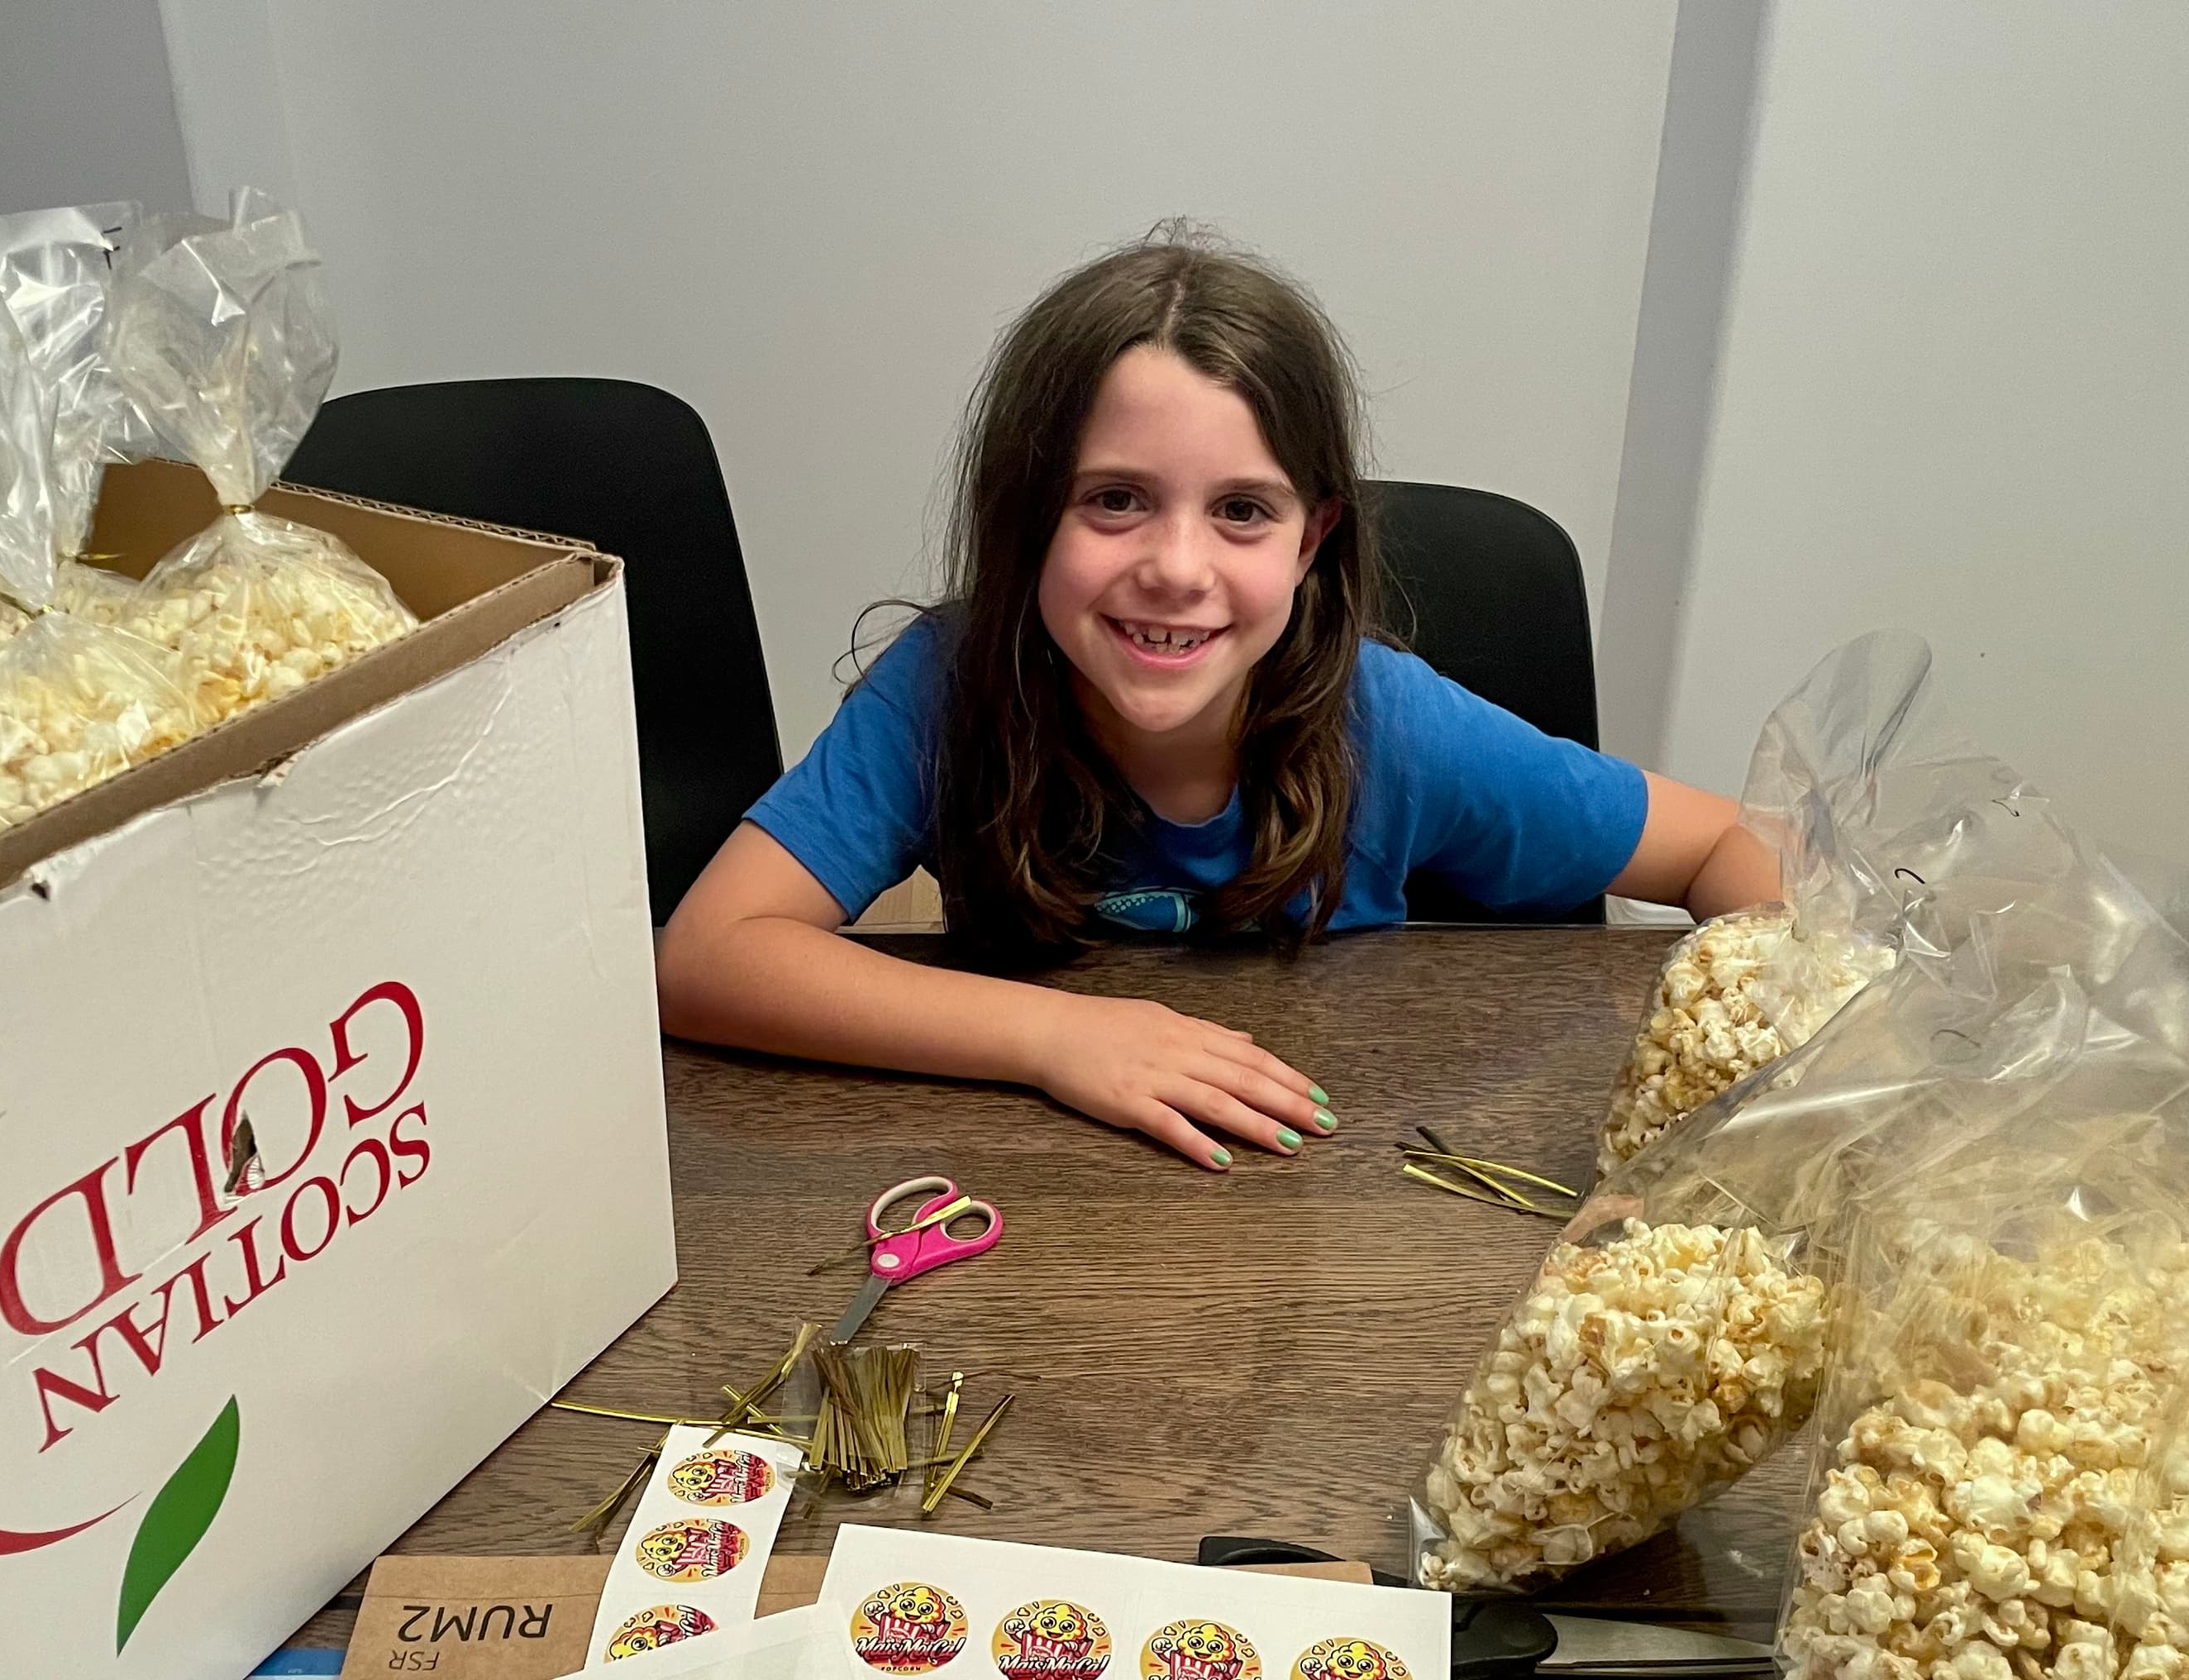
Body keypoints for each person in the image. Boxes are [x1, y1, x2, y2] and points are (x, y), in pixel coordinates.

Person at [657, 227, 1778, 1170]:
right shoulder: (946, 693)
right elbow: (707, 956)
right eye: (1115, 500)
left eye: (1242, 510)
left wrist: (1773, 1053)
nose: (1178, 568)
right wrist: (1054, 1037)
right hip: (1040, 1210)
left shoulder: (1388, 722)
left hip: (1341, 1209)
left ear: (1312, 541)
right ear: (1024, 516)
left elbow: (1720, 845)